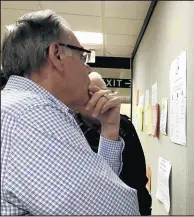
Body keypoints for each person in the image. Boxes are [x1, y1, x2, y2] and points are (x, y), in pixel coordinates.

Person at [1, 10, 139, 215]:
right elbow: (118, 210)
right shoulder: (31, 116)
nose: (89, 69)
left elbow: (103, 187)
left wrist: (109, 128)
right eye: (83, 57)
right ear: (57, 54)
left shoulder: (20, 109)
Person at [76, 72, 152, 215]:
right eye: (91, 95)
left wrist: (144, 208)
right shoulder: (73, 130)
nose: (99, 101)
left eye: (103, 94)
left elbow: (138, 174)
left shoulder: (124, 124)